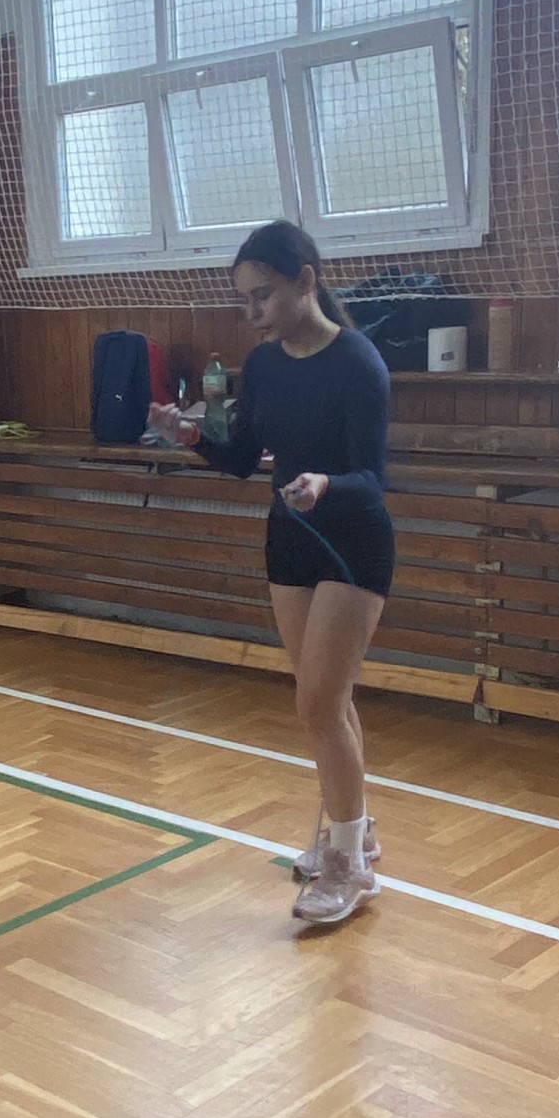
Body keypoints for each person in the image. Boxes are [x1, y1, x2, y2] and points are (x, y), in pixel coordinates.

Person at [148, 224, 393, 932]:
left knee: (318, 706)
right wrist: (189, 436)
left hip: (351, 543)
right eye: (245, 299)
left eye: (263, 295)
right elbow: (241, 459)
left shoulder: (358, 362)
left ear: (305, 281)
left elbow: (373, 479)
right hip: (289, 542)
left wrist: (325, 483)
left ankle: (348, 866)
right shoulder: (262, 366)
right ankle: (356, 830)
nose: (252, 311)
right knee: (327, 700)